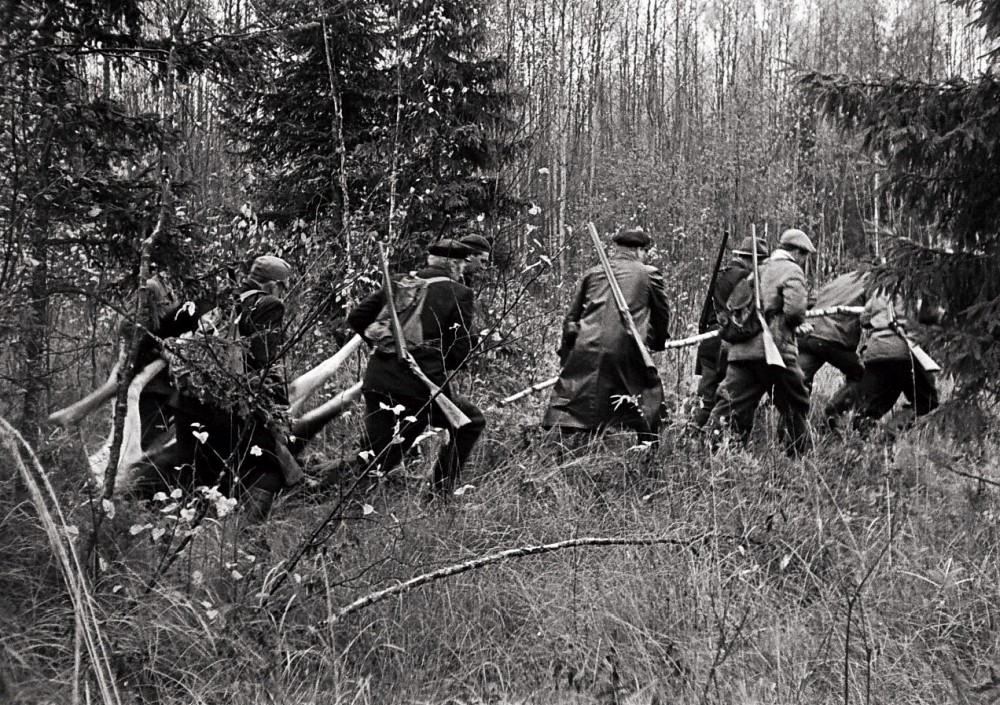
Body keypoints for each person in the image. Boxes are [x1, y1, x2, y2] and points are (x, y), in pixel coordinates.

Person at [134, 255, 299, 521]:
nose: (283, 294)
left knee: (189, 477)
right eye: (283, 287)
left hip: (188, 402)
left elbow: (161, 329)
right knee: (269, 470)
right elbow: (263, 361)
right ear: (273, 285)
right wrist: (278, 406)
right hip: (228, 406)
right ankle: (250, 534)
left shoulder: (214, 299)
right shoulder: (268, 305)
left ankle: (170, 536)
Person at [346, 240, 486, 496]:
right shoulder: (459, 292)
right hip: (419, 387)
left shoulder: (400, 281)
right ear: (454, 264)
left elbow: (356, 318)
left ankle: (336, 498)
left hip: (378, 379)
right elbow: (458, 351)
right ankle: (439, 495)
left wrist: (382, 347)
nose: (464, 269)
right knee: (470, 422)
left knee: (376, 456)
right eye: (463, 263)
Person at [542, 227, 670, 449]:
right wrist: (656, 343)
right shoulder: (649, 274)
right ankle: (649, 457)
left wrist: (568, 354)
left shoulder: (593, 273)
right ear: (640, 251)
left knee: (577, 399)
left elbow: (572, 318)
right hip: (626, 348)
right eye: (645, 251)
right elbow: (661, 314)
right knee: (648, 398)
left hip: (586, 346)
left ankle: (560, 452)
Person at [708, 228, 815, 457]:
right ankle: (796, 459)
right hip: (774, 351)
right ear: (796, 252)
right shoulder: (791, 270)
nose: (805, 260)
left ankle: (717, 455)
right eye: (805, 255)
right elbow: (795, 311)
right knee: (796, 403)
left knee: (731, 405)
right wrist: (796, 324)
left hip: (741, 353)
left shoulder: (756, 270)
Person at [824, 294, 939, 433]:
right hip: (906, 351)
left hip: (876, 352)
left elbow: (864, 319)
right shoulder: (918, 285)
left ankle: (860, 439)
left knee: (870, 409)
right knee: (927, 402)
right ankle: (892, 429)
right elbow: (930, 315)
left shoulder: (881, 289)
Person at [692, 236, 769, 428]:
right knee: (732, 398)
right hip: (728, 344)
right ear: (752, 260)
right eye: (758, 262)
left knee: (706, 399)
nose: (758, 267)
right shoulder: (746, 278)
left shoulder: (720, 273)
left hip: (709, 341)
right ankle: (722, 441)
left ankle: (693, 438)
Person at [797, 270, 868, 393]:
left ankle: (778, 410)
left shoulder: (843, 278)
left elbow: (813, 300)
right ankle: (837, 410)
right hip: (831, 336)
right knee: (862, 375)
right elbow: (873, 314)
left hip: (808, 330)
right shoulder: (873, 282)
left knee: (798, 382)